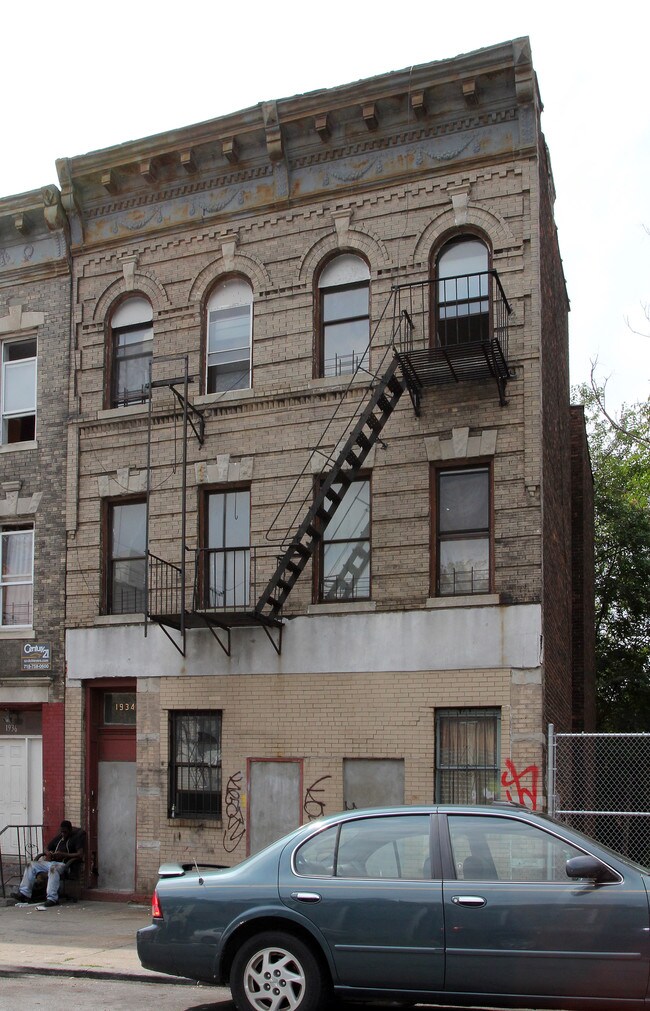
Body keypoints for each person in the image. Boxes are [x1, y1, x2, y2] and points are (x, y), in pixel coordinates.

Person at [11, 820, 86, 907]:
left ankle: (52, 898)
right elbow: (46, 847)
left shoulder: (76, 838)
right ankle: (24, 893)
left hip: (64, 864)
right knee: (31, 865)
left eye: (65, 832)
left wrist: (63, 854)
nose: (63, 834)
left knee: (53, 869)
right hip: (52, 862)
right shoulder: (59, 837)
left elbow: (80, 854)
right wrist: (48, 853)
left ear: (70, 830)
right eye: (61, 832)